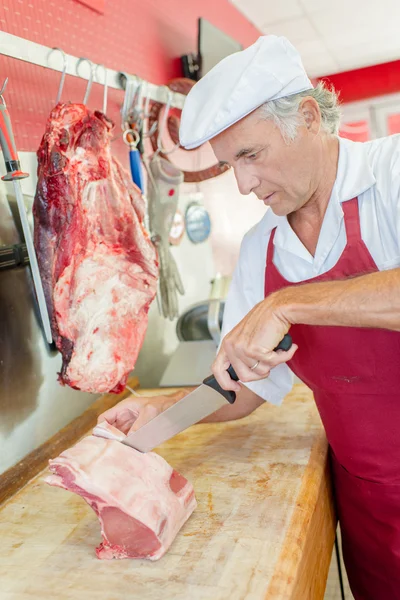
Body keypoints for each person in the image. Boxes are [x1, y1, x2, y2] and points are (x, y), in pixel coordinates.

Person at [99, 35, 400, 599]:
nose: (241, 184)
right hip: (372, 504)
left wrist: (285, 305)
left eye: (250, 155)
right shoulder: (262, 248)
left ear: (308, 117)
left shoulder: (391, 173)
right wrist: (161, 412)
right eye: (227, 163)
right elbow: (245, 386)